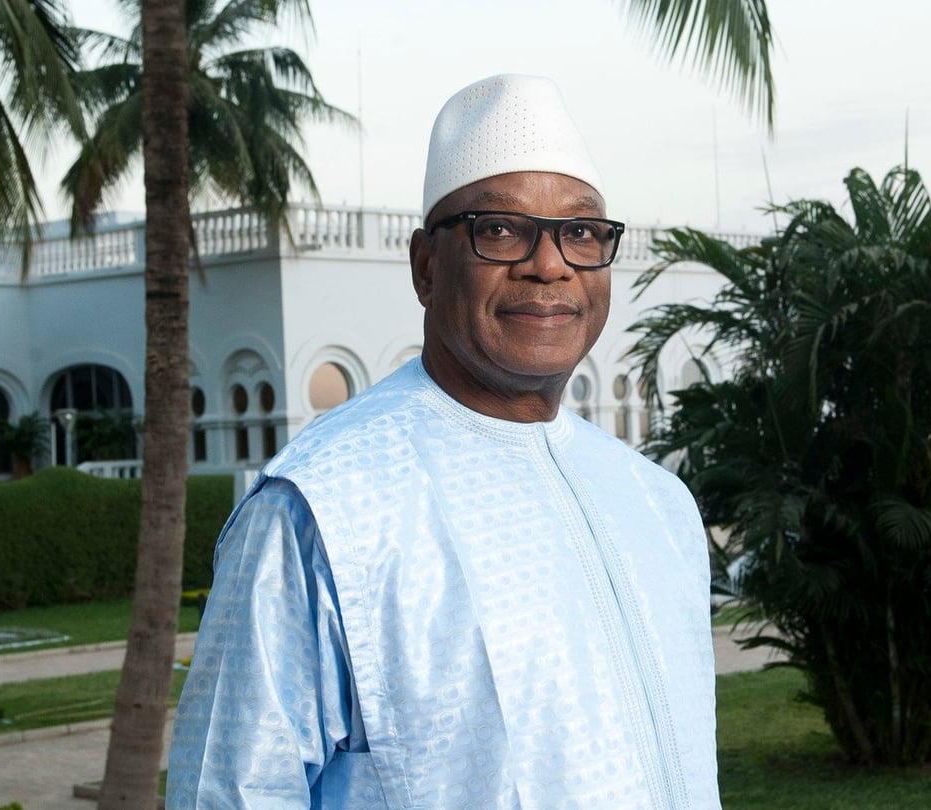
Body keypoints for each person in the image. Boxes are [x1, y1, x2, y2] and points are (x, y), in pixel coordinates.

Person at [167, 74, 720, 809]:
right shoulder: (323, 508)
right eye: (500, 228)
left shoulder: (657, 504)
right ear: (427, 265)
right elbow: (228, 793)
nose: (549, 264)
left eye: (581, 232)